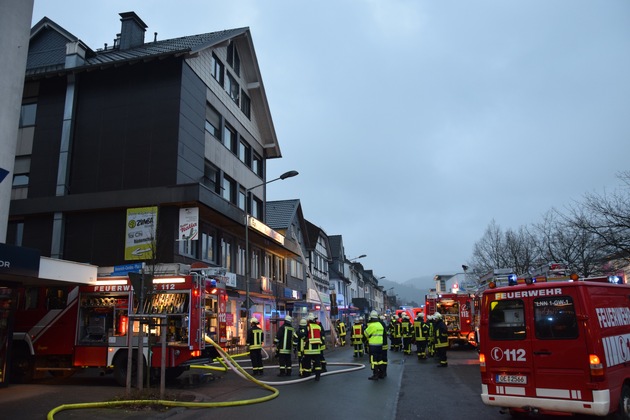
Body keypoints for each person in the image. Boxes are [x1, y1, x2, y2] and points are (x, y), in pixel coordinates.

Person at [363, 310, 386, 380]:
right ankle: (381, 373)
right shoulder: (380, 325)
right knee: (380, 360)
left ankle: (375, 375)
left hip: (373, 346)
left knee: (374, 360)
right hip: (380, 345)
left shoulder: (372, 325)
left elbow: (365, 334)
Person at [303, 313, 323, 381]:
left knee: (307, 362)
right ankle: (317, 376)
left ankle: (307, 375)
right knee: (317, 362)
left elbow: (304, 336)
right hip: (317, 349)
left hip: (309, 349)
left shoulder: (308, 327)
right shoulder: (318, 327)